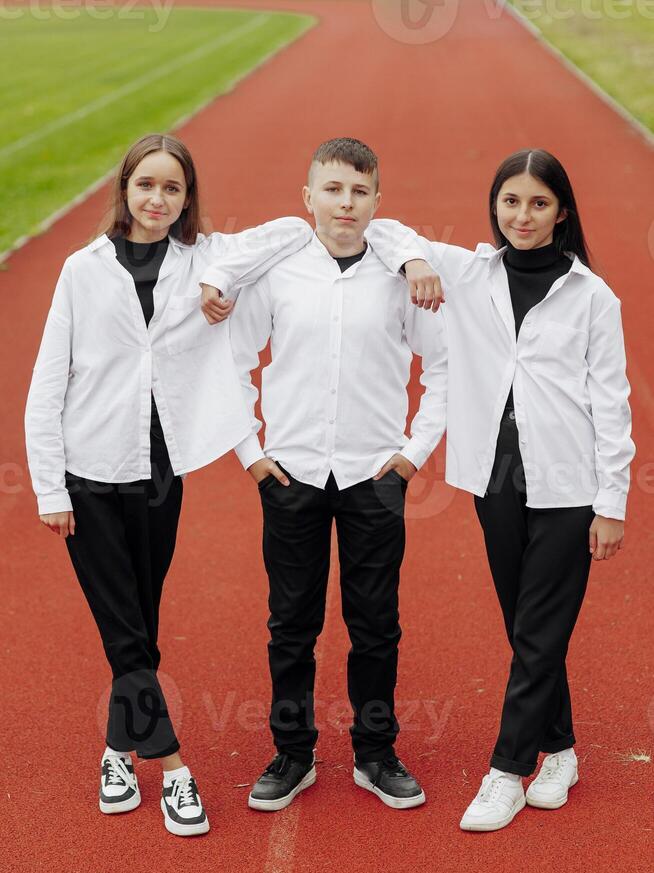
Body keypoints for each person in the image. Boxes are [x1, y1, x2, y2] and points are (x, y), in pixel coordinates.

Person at [25, 132, 313, 836]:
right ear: (124, 189)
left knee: (140, 629)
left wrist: (222, 280)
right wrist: (49, 488)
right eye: (146, 184)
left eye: (172, 188)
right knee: (125, 634)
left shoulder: (203, 260)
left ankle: (117, 753)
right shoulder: (81, 270)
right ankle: (175, 769)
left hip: (159, 473)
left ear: (187, 199)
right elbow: (46, 383)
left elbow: (295, 228)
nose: (157, 199)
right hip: (89, 473)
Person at [372, 149, 635, 831]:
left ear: (562, 213)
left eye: (539, 203)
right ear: (495, 208)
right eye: (511, 202)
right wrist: (416, 263)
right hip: (495, 477)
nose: (523, 215)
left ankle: (507, 769)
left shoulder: (592, 297)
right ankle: (563, 750)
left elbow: (612, 404)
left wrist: (613, 504)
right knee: (528, 630)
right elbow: (381, 227)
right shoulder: (466, 271)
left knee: (540, 635)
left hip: (569, 482)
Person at [200, 137, 446, 812]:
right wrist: (252, 455)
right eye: (332, 190)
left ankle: (375, 753)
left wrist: (411, 455)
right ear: (310, 197)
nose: (345, 203)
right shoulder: (280, 272)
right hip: (292, 476)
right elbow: (233, 361)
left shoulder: (400, 275)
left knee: (376, 625)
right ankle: (293, 753)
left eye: (359, 192)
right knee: (291, 624)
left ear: (376, 202)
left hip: (374, 476)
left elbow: (444, 367)